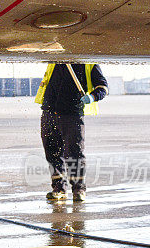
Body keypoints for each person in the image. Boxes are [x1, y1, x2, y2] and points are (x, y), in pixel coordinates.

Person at [35, 62, 108, 202]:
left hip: (72, 114)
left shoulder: (89, 63)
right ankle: (59, 189)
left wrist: (92, 97)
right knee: (52, 152)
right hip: (49, 111)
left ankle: (79, 190)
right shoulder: (56, 60)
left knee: (74, 153)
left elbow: (103, 87)